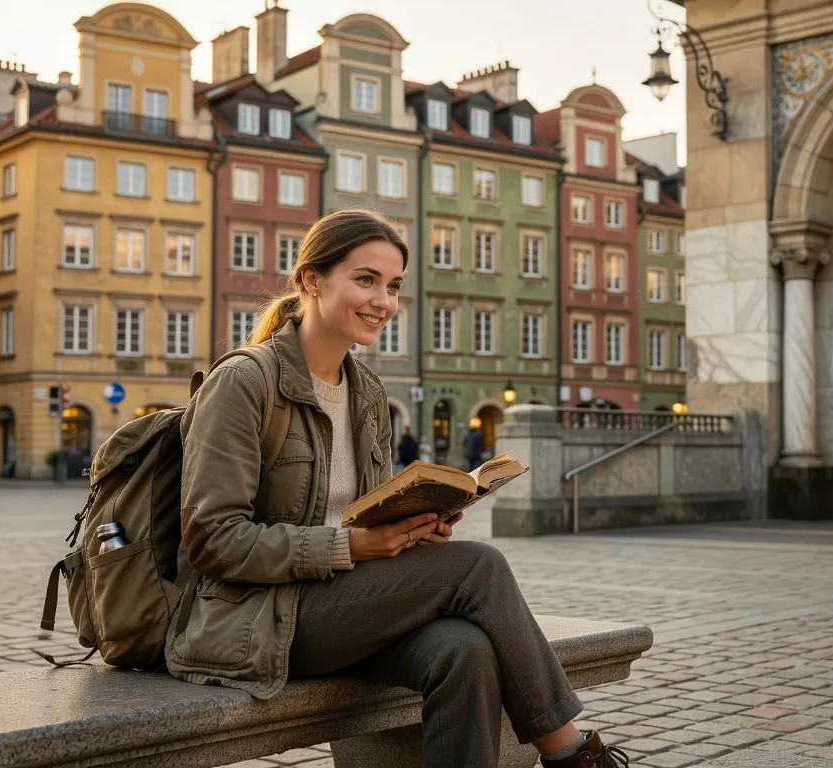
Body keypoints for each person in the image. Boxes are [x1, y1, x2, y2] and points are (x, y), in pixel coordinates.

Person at [165, 209, 626, 768]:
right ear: (312, 280)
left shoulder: (368, 393)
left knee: (466, 651)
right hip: (260, 617)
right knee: (478, 566)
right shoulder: (245, 382)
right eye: (366, 280)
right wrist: (350, 546)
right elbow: (213, 540)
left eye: (393, 286)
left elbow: (362, 515)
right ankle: (573, 756)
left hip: (345, 603)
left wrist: (415, 525)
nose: (383, 301)